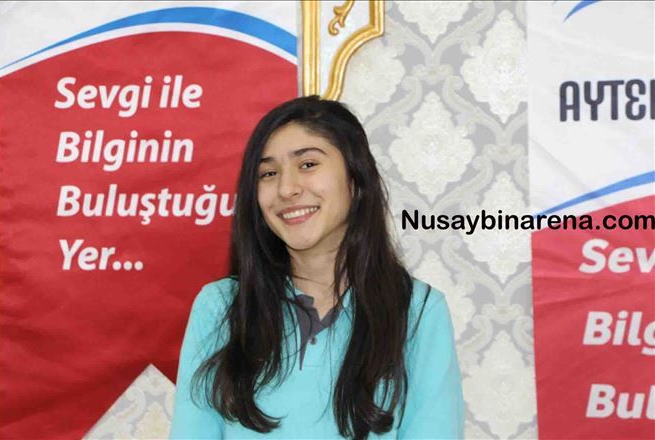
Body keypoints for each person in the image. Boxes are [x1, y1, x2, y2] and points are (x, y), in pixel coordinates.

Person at [169, 96, 464, 439]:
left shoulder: (418, 311)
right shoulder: (220, 307)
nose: (287, 189)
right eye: (268, 173)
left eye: (308, 164)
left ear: (356, 180)